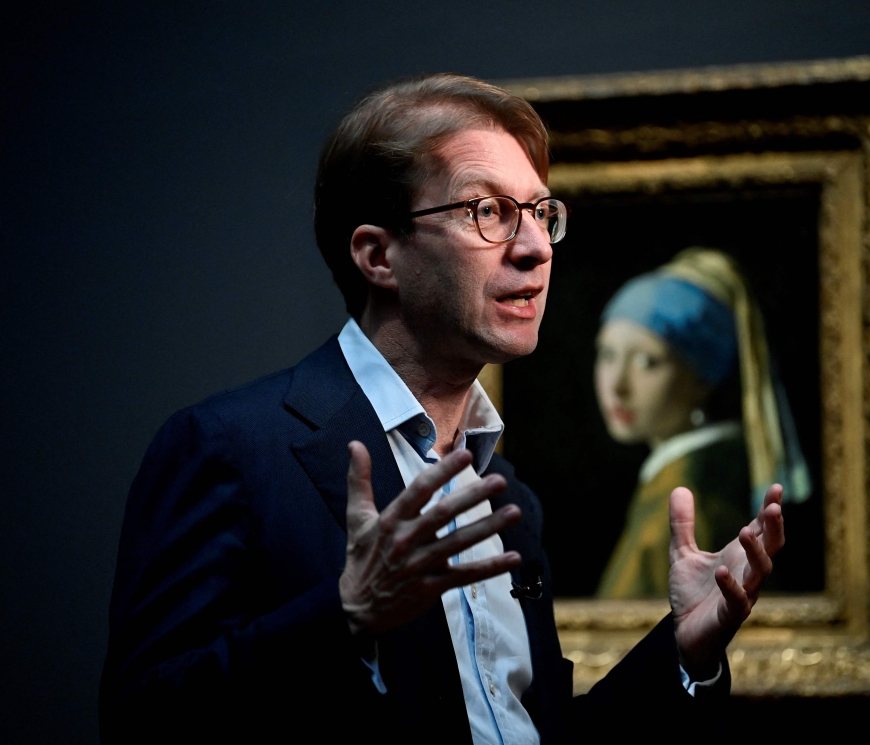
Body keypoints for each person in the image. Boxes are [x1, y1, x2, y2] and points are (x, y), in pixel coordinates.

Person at [100, 75, 786, 744]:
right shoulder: (228, 447)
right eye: (487, 211)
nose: (536, 247)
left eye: (541, 213)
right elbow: (141, 719)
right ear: (378, 255)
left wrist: (683, 651)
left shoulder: (509, 496)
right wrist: (345, 618)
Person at [595, 248, 809, 599]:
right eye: (607, 355)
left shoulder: (688, 493)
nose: (617, 385)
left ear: (701, 377)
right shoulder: (686, 477)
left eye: (647, 361)